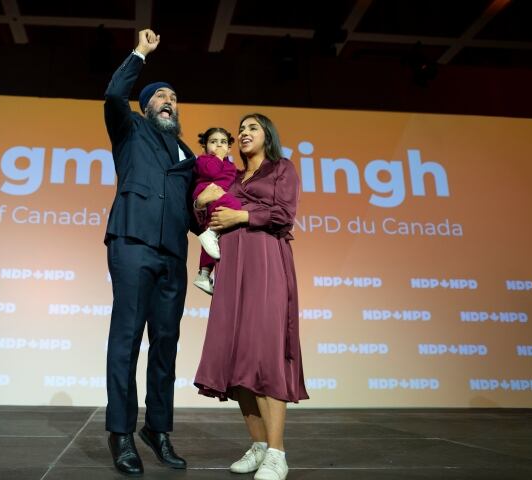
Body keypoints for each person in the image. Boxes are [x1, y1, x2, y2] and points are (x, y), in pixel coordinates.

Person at [103, 28, 199, 476]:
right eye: (160, 96)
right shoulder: (130, 129)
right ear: (146, 106)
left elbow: (194, 214)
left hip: (171, 257)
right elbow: (112, 96)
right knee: (127, 340)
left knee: (166, 345)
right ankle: (121, 433)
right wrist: (141, 53)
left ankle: (157, 429)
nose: (168, 100)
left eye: (173, 97)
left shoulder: (188, 154)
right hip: (132, 244)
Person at [193, 113, 309, 480]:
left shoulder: (281, 168)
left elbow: (284, 215)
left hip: (266, 263)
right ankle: (258, 445)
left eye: (252, 128)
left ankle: (277, 453)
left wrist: (240, 217)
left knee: (264, 353)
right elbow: (208, 222)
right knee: (237, 355)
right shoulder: (231, 177)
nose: (243, 134)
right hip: (232, 269)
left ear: (268, 135)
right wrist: (201, 206)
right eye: (240, 130)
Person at [192, 127, 240, 295]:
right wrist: (218, 157)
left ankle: (203, 275)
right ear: (204, 146)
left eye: (223, 142)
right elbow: (211, 171)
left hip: (220, 196)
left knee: (213, 246)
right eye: (213, 142)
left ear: (229, 148)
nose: (219, 146)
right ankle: (211, 232)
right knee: (236, 206)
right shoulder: (203, 160)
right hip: (207, 191)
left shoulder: (230, 165)